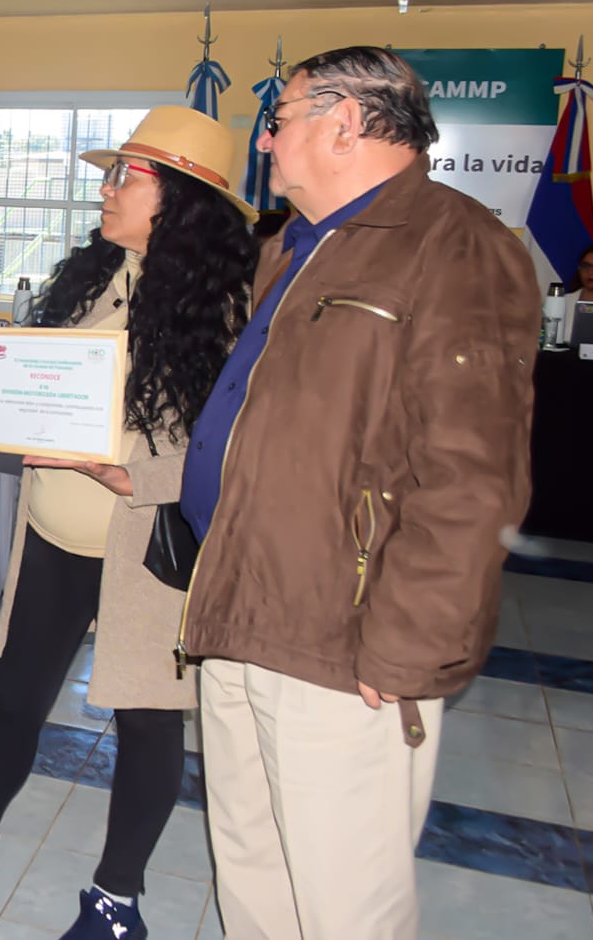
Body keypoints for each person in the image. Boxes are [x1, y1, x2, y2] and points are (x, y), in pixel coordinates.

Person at [179, 46, 540, 940]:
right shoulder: (295, 245)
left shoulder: (457, 247)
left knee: (343, 904)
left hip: (345, 643)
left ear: (346, 121)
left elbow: (472, 478)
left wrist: (407, 647)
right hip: (240, 604)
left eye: (283, 114)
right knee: (252, 869)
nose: (265, 136)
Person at [0, 106, 257, 940]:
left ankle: (116, 896)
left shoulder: (223, 308)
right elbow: (56, 391)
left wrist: (138, 474)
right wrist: (1, 364)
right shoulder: (94, 277)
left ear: (180, 199)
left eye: (125, 175)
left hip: (142, 548)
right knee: (14, 695)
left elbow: (235, 444)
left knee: (146, 718)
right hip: (55, 536)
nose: (105, 188)